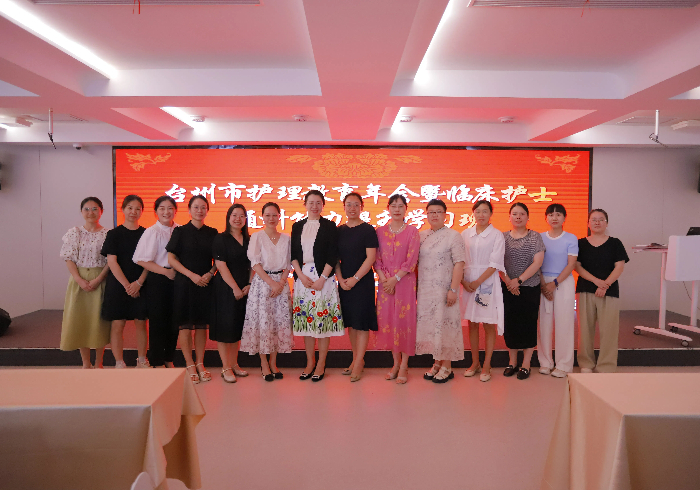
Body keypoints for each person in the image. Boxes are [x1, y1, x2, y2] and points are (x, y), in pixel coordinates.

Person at [291, 190, 344, 382]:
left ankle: (321, 364)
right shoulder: (297, 226)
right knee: (306, 323)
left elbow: (333, 254)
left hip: (324, 278)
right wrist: (300, 275)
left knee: (322, 323)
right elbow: (293, 254)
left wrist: (323, 277)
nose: (314, 206)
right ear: (305, 204)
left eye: (318, 203)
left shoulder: (329, 226)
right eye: (311, 202)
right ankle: (309, 363)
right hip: (303, 277)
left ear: (323, 205)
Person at [166, 195, 218, 384]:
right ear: (189, 210)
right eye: (196, 207)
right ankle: (189, 363)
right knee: (185, 326)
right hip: (185, 284)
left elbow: (218, 260)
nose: (200, 210)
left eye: (203, 207)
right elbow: (171, 259)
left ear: (207, 211)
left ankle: (200, 363)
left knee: (202, 326)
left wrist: (210, 273)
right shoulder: (180, 231)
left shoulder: (213, 233)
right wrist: (191, 275)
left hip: (205, 284)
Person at [240, 202, 293, 381]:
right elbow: (255, 263)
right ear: (262, 217)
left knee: (277, 325)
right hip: (263, 285)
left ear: (279, 216)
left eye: (274, 215)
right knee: (264, 325)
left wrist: (281, 282)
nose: (271, 218)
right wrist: (272, 283)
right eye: (267, 215)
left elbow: (289, 263)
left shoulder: (286, 238)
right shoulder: (257, 236)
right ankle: (263, 363)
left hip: (281, 285)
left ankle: (273, 363)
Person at [416, 199, 466, 384]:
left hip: (445, 291)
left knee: (445, 326)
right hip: (426, 291)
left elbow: (459, 264)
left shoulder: (453, 236)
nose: (434, 215)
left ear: (445, 214)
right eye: (431, 212)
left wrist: (453, 289)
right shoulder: (421, 236)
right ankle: (437, 362)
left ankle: (447, 366)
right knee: (433, 328)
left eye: (438, 212)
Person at [59, 197, 110, 368]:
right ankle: (86, 363)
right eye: (87, 209)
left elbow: (110, 261)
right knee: (81, 319)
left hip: (100, 278)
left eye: (95, 209)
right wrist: (79, 279)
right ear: (81, 212)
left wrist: (98, 279)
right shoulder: (74, 232)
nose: (91, 213)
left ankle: (99, 362)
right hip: (78, 279)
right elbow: (68, 258)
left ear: (101, 211)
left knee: (99, 321)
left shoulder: (108, 234)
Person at [575, 209, 628, 373]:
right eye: (593, 219)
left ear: (607, 223)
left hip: (610, 292)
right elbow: (577, 266)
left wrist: (605, 284)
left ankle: (606, 365)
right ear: (588, 223)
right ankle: (586, 363)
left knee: (609, 330)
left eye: (601, 219)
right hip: (585, 290)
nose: (597, 222)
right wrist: (596, 281)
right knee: (585, 330)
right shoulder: (580, 243)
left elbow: (619, 266)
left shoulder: (615, 243)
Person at [374, 194, 420, 384]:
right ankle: (395, 363)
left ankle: (404, 365)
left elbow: (412, 260)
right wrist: (385, 279)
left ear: (406, 209)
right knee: (390, 322)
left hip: (404, 283)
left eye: (400, 206)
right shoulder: (379, 231)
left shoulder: (412, 232)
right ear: (388, 208)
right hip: (386, 285)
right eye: (393, 206)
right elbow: (376, 259)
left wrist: (395, 279)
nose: (397, 209)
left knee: (404, 322)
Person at [460, 200, 505, 383]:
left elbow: (495, 263)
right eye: (478, 211)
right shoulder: (465, 234)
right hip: (468, 283)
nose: (481, 215)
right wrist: (464, 281)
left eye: (485, 211)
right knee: (471, 323)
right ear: (473, 213)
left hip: (487, 283)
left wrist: (478, 282)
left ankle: (487, 364)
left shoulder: (497, 235)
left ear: (491, 214)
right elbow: (459, 260)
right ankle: (475, 362)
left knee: (488, 323)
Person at [336, 192, 379, 382]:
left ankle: (360, 361)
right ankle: (355, 359)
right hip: (344, 283)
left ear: (362, 207)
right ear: (344, 207)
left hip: (362, 283)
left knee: (361, 324)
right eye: (348, 204)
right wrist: (340, 279)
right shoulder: (339, 230)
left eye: (356, 205)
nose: (352, 208)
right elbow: (335, 259)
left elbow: (371, 258)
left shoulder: (368, 230)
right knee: (351, 323)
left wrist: (354, 278)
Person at [101, 195, 148, 368]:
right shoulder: (113, 234)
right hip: (118, 284)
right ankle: (119, 362)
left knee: (141, 323)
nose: (133, 212)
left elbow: (150, 262)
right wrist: (127, 285)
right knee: (118, 323)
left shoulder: (147, 234)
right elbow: (112, 262)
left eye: (137, 209)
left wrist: (139, 283)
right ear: (123, 209)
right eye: (130, 208)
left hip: (141, 283)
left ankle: (142, 359)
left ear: (142, 212)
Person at [500, 202, 545, 380]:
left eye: (522, 214)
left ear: (527, 217)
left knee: (528, 324)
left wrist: (518, 281)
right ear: (509, 217)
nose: (518, 217)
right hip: (508, 288)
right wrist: (509, 282)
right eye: (515, 214)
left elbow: (537, 262)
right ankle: (512, 362)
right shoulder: (502, 237)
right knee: (510, 324)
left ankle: (526, 363)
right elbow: (497, 262)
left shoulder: (535, 237)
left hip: (529, 287)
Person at [133, 195, 179, 368]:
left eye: (170, 208)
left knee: (174, 322)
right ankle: (157, 361)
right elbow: (140, 259)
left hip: (177, 279)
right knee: (158, 323)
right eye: (162, 208)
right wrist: (165, 272)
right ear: (156, 212)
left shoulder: (180, 230)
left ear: (175, 211)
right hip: (158, 280)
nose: (166, 212)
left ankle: (169, 358)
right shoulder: (152, 231)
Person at [211, 204, 253, 383]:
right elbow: (221, 266)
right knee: (224, 327)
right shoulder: (221, 239)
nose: (238, 219)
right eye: (234, 215)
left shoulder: (249, 239)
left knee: (237, 327)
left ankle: (234, 364)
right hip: (225, 288)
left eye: (241, 216)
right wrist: (235, 288)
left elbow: (254, 264)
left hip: (245, 288)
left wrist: (249, 284)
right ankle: (225, 367)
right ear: (228, 218)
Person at [537, 203, 578, 378]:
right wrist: (543, 285)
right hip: (543, 283)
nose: (554, 218)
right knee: (544, 324)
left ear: (564, 218)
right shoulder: (539, 237)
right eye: (551, 214)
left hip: (563, 282)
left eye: (558, 214)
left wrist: (554, 283)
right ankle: (545, 362)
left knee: (564, 323)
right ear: (546, 218)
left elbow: (571, 264)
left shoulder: (571, 238)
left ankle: (564, 364)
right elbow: (537, 264)